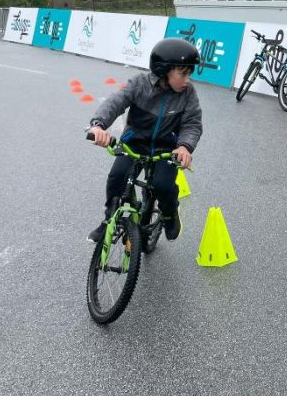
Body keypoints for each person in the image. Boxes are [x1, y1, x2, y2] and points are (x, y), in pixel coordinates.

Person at [87, 38, 203, 244]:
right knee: (117, 177)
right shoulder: (139, 84)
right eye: (183, 73)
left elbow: (192, 123)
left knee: (163, 185)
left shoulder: (187, 93)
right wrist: (98, 125)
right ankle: (109, 220)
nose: (187, 79)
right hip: (135, 144)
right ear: (164, 70)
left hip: (166, 148)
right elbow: (115, 102)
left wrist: (184, 147)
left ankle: (169, 214)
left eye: (189, 73)